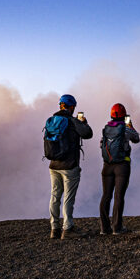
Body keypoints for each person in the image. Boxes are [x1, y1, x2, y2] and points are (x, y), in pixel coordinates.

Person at [46, 94, 93, 239]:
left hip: (53, 165)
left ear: (60, 105)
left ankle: (54, 229)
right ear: (71, 106)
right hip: (69, 166)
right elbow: (88, 134)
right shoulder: (73, 121)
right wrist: (83, 122)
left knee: (55, 195)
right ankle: (68, 229)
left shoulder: (52, 120)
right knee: (68, 197)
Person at [99, 103, 140, 235]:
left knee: (106, 196)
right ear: (124, 115)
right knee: (118, 196)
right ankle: (117, 227)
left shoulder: (105, 129)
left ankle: (104, 229)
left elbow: (102, 144)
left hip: (107, 166)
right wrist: (130, 126)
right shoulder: (125, 129)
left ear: (111, 114)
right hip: (122, 166)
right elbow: (136, 139)